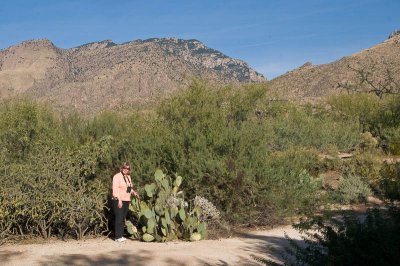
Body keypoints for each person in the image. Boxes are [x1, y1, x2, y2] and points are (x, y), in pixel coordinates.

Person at [112, 163, 139, 242]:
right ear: (121, 168)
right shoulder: (117, 176)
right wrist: (118, 199)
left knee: (122, 218)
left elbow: (129, 188)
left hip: (126, 200)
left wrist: (134, 193)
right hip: (118, 200)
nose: (125, 169)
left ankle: (121, 235)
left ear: (129, 170)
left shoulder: (128, 177)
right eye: (124, 168)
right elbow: (115, 189)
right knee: (119, 217)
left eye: (127, 169)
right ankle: (117, 237)